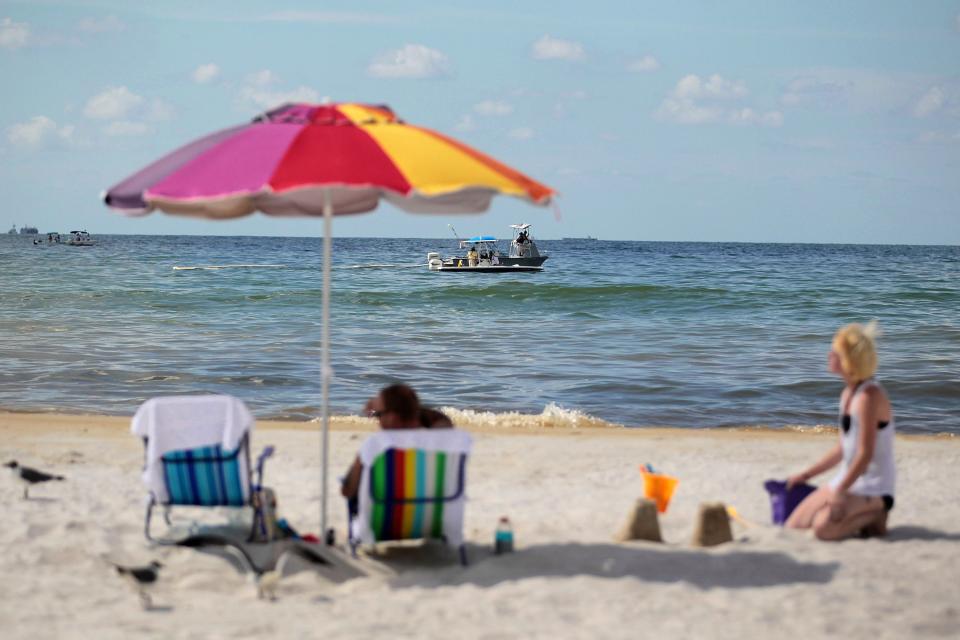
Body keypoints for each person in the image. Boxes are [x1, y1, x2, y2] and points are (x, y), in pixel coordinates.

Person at [785, 322, 895, 540]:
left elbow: (865, 454)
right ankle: (856, 511)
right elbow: (843, 448)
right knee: (794, 525)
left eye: (835, 352)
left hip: (873, 487)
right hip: (848, 479)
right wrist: (806, 475)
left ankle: (876, 514)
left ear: (848, 361)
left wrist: (840, 492)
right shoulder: (848, 394)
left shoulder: (868, 397)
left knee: (823, 528)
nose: (829, 355)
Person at [341, 383, 421, 502]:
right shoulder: (436, 443)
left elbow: (347, 490)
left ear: (392, 417)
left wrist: (359, 460)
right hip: (432, 518)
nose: (378, 421)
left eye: (378, 415)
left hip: (384, 519)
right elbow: (441, 420)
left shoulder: (376, 446)